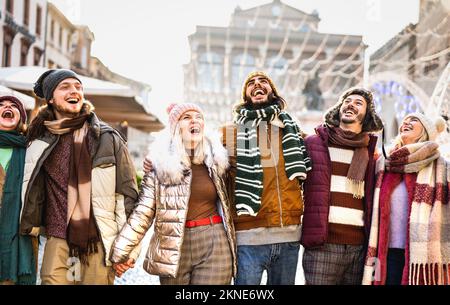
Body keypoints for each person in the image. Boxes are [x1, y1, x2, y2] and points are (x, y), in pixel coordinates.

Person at [19, 69, 139, 285]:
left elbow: (128, 196)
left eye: (78, 87)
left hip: (98, 241)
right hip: (57, 239)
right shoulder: (37, 140)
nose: (74, 91)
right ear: (51, 99)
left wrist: (126, 249)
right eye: (65, 87)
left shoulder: (107, 138)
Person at [111, 103, 237, 285]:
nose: (194, 120)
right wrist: (121, 252)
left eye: (199, 117)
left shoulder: (218, 160)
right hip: (172, 246)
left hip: (213, 242)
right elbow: (142, 213)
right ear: (175, 128)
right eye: (186, 117)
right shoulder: (159, 165)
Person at [220, 71, 311, 285]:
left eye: (263, 82)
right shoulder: (229, 133)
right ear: (246, 95)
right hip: (248, 237)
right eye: (251, 82)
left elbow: (323, 154)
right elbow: (205, 162)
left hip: (288, 235)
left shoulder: (293, 132)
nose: (257, 84)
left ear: (273, 91)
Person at [301, 87, 383, 285]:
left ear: (366, 115)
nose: (351, 105)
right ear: (339, 107)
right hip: (322, 245)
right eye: (347, 100)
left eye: (358, 103)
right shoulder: (314, 144)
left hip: (359, 249)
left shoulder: (372, 155)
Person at [363, 113, 449, 285]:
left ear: (426, 131)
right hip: (382, 255)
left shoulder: (441, 166)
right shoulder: (384, 164)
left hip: (422, 258)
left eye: (413, 120)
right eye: (404, 122)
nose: (406, 123)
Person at [0, 96, 36, 285]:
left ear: (21, 119)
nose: (7, 107)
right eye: (1, 105)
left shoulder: (32, 151)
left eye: (14, 106)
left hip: (19, 236)